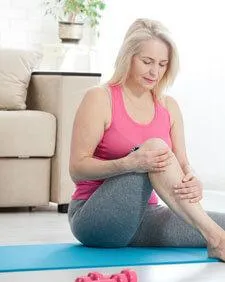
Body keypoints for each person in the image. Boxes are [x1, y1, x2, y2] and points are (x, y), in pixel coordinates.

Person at [68, 18, 225, 261]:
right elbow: (77, 169)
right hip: (95, 217)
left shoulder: (168, 106)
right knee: (155, 148)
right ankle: (217, 240)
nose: (155, 72)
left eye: (162, 64)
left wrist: (192, 179)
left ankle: (217, 235)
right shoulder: (100, 98)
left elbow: (182, 164)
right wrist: (130, 163)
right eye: (147, 62)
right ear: (128, 57)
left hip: (145, 217)